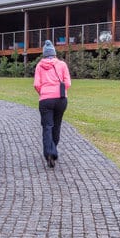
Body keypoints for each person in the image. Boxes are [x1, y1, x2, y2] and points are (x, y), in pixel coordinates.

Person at [34, 40, 71, 168]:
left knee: (47, 126)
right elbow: (68, 83)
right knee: (57, 125)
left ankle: (49, 153)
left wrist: (43, 93)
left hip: (45, 100)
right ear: (54, 53)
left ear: (44, 54)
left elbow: (36, 84)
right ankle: (53, 150)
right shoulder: (62, 65)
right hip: (61, 99)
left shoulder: (39, 65)